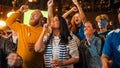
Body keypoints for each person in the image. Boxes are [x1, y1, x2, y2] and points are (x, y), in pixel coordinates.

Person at [34, 0, 79, 68]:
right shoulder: (48, 37)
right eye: (52, 20)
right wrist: (43, 31)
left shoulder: (69, 39)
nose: (53, 21)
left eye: (56, 20)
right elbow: (37, 49)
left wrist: (62, 63)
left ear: (62, 24)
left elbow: (76, 58)